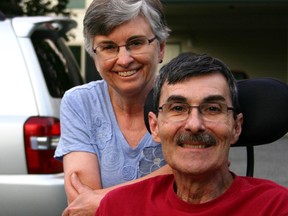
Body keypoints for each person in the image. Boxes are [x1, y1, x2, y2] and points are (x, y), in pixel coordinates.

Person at [95, 52, 288, 216]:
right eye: (178, 108)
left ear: (236, 127)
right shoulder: (119, 207)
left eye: (212, 109)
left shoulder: (276, 207)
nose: (195, 124)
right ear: (155, 126)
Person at [54, 0, 171, 215]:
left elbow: (195, 181)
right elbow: (82, 202)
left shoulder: (181, 99)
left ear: (161, 48)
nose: (124, 60)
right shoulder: (81, 103)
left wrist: (100, 199)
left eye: (136, 43)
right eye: (108, 47)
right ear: (94, 56)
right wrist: (166, 178)